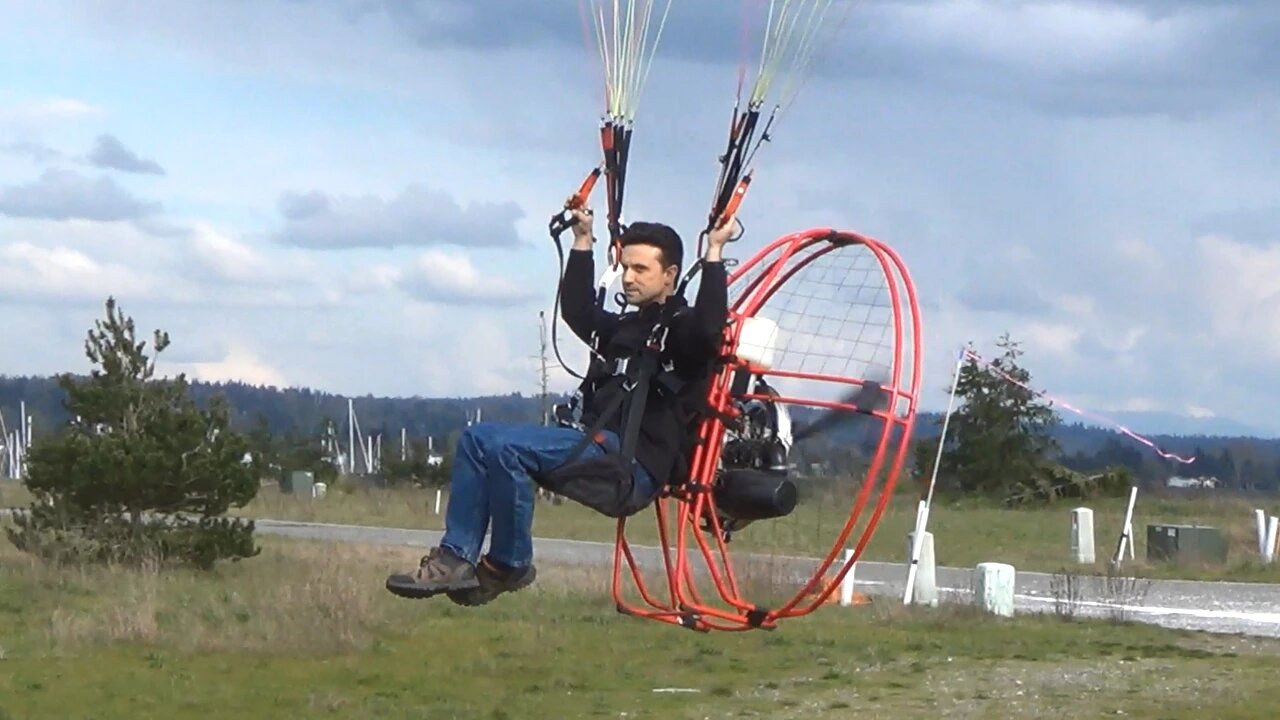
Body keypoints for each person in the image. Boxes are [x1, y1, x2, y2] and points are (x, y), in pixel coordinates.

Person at [385, 203, 734, 606]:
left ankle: (509, 562)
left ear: (670, 275)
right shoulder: (622, 328)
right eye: (626, 267)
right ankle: (456, 558)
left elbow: (710, 330)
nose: (629, 278)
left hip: (630, 467)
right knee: (477, 439)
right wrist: (582, 239)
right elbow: (577, 311)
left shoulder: (681, 333)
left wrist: (714, 254)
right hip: (591, 444)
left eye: (641, 270)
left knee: (507, 448)